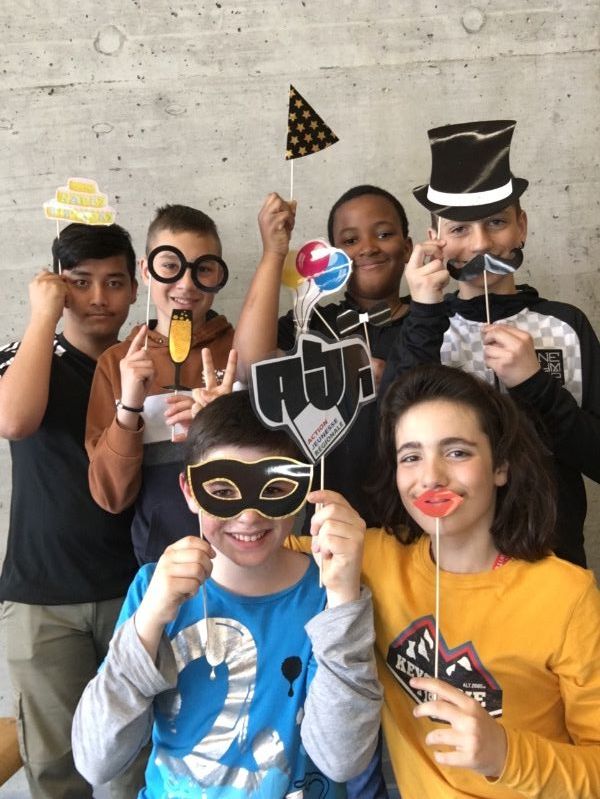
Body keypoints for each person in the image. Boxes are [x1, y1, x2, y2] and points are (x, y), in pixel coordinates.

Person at [291, 363, 600, 797]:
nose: (431, 476)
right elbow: (253, 545)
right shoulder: (371, 557)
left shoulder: (567, 596)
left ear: (500, 466)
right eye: (411, 457)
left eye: (457, 452)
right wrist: (217, 454)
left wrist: (506, 754)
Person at [72, 391, 382, 798]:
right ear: (189, 491)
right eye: (222, 490)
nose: (249, 516)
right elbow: (96, 759)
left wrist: (342, 601)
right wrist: (147, 623)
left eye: (274, 489)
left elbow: (343, 760)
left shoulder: (330, 596)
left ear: (304, 487)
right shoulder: (153, 590)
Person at [381, 119, 600, 567]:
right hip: (446, 565)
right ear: (436, 241)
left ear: (521, 227)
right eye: (460, 229)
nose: (481, 244)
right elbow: (388, 443)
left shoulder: (566, 325)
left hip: (552, 560)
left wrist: (534, 385)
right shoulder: (419, 327)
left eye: (496, 222)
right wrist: (424, 311)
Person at [0, 223, 145, 798]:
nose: (98, 298)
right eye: (80, 282)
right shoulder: (24, 359)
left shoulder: (144, 365)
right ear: (58, 287)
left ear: (135, 289)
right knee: (56, 768)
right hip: (42, 598)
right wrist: (42, 317)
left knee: (135, 762)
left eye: (114, 282)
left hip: (132, 590)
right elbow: (14, 421)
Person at [234, 186, 413, 526]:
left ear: (407, 247)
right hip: (327, 525)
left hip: (419, 526)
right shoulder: (312, 322)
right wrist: (274, 252)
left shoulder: (431, 320)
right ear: (333, 257)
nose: (368, 247)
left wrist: (393, 380)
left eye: (384, 234)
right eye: (350, 240)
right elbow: (249, 367)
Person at [86, 204, 236, 565]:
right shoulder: (115, 364)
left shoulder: (240, 350)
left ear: (217, 275)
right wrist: (129, 408)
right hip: (161, 561)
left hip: (244, 553)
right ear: (146, 270)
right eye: (170, 266)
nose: (186, 284)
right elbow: (111, 496)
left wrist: (218, 423)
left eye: (203, 269)